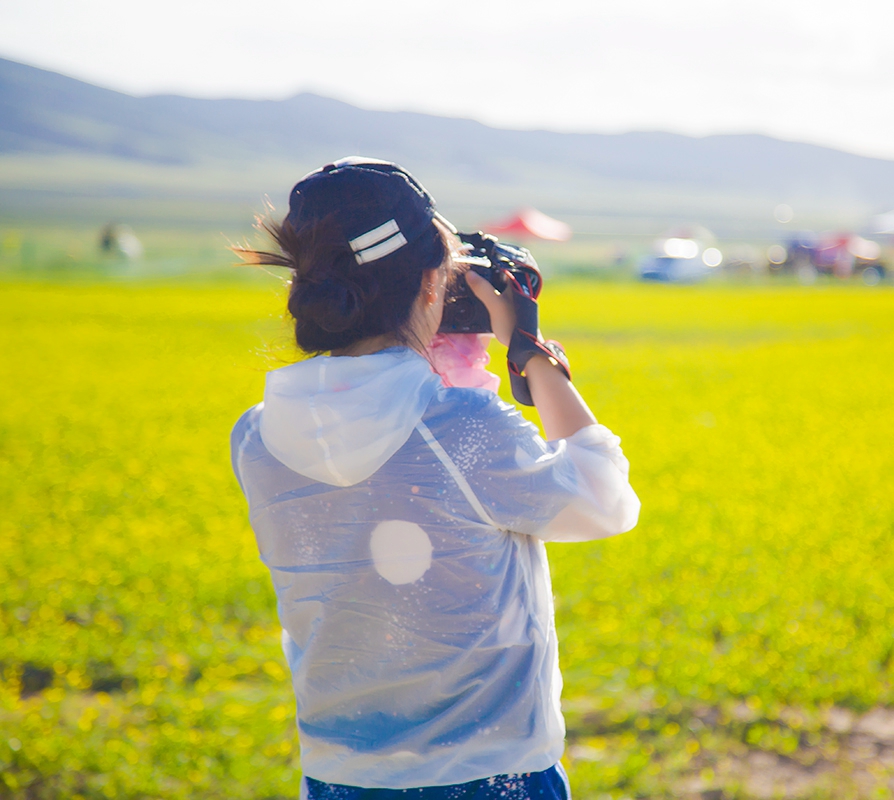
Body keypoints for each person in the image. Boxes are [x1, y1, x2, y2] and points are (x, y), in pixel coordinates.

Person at [230, 157, 640, 799]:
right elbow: (607, 501)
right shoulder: (461, 428)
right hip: (489, 774)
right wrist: (530, 353)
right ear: (430, 285)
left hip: (338, 775)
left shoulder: (255, 437)